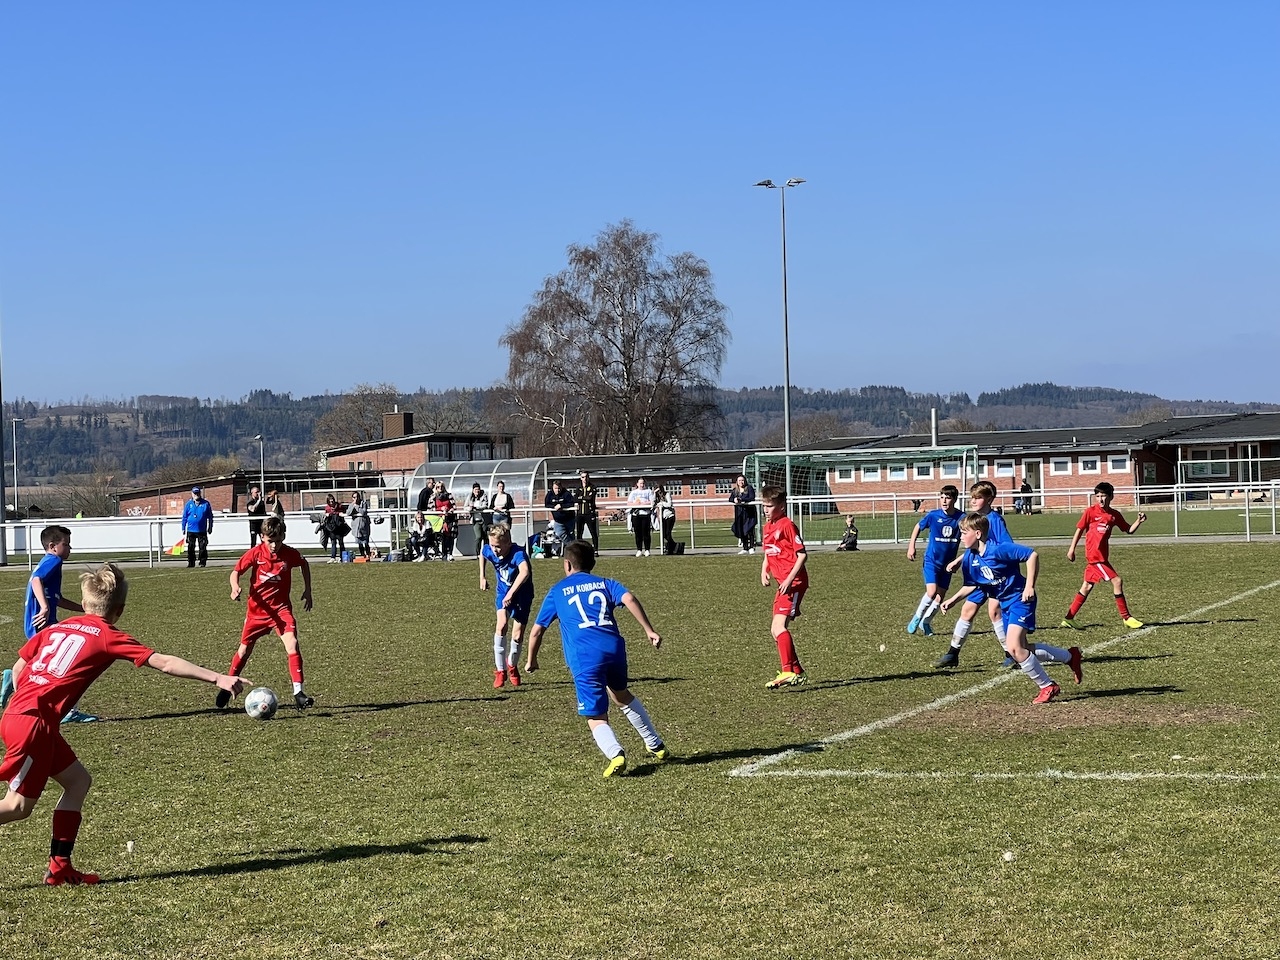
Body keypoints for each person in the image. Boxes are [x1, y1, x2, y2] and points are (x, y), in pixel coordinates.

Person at [0, 562, 247, 885]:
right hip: (34, 725)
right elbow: (164, 662)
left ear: (84, 603)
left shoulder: (56, 628)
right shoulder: (107, 635)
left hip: (23, 718)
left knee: (77, 782)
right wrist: (217, 678)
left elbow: (19, 669)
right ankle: (58, 866)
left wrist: (32, 701)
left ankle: (60, 866)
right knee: (17, 806)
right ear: (120, 610)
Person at [523, 540, 668, 778]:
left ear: (567, 564)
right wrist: (649, 630)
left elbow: (537, 630)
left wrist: (531, 660)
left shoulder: (557, 591)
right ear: (592, 563)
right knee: (621, 695)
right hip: (614, 649)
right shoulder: (605, 583)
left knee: (595, 715)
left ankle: (615, 753)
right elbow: (629, 599)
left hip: (584, 657)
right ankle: (655, 743)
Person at [939, 513, 1081, 704]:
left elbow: (1031, 555)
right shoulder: (970, 558)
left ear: (978, 534)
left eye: (965, 533)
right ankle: (1070, 656)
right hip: (1005, 604)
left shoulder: (999, 550)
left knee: (1014, 648)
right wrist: (953, 600)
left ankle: (1047, 686)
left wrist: (1029, 586)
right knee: (1022, 649)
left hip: (1021, 600)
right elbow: (972, 584)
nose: (961, 537)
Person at [2, 526, 95, 724]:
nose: (69, 548)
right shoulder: (54, 560)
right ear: (52, 546)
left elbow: (57, 598)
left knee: (41, 662)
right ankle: (60, 711)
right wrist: (44, 608)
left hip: (39, 623)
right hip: (42, 622)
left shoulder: (49, 562)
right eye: (66, 544)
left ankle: (13, 676)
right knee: (64, 663)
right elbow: (36, 581)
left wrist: (83, 609)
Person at [222, 515, 315, 710]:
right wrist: (234, 587)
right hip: (257, 612)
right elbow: (236, 572)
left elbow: (304, 563)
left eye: (278, 541)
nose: (274, 545)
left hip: (281, 611)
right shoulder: (255, 554)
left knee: (292, 644)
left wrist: (308, 590)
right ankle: (227, 685)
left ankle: (298, 693)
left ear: (283, 537)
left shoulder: (289, 554)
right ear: (262, 537)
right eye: (270, 541)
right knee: (244, 651)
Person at [933, 480, 1011, 670]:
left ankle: (1011, 654)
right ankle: (952, 654)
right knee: (967, 610)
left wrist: (998, 566)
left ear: (990, 499)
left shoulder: (995, 520)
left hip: (997, 576)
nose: (973, 501)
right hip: (981, 575)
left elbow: (1005, 546)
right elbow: (977, 547)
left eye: (978, 498)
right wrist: (960, 560)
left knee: (994, 611)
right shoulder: (975, 519)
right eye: (972, 497)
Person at [1061, 481, 1148, 630]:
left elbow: (1128, 530)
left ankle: (1068, 618)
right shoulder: (1090, 512)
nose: (1100, 499)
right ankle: (1126, 617)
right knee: (1117, 581)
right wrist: (1071, 549)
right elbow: (1079, 530)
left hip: (1102, 557)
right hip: (1095, 557)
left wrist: (1138, 521)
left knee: (1087, 586)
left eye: (1103, 496)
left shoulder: (1114, 515)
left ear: (1111, 497)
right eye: (1098, 496)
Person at [759, 485, 809, 689]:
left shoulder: (787, 525)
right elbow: (769, 551)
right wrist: (764, 569)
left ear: (781, 506)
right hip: (783, 584)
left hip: (793, 584)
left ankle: (787, 671)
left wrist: (789, 579)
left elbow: (802, 555)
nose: (765, 510)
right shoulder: (767, 527)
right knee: (775, 630)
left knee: (779, 627)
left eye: (769, 506)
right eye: (764, 505)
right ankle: (797, 672)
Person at [479, 522, 534, 688]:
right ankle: (500, 670)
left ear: (508, 543)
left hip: (522, 596)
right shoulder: (490, 549)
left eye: (498, 546)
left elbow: (525, 572)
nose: (494, 550)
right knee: (501, 625)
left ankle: (512, 666)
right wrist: (482, 576)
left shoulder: (518, 553)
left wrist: (512, 593)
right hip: (503, 592)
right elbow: (482, 553)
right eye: (492, 545)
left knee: (517, 635)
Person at [903, 485, 962, 635]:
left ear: (955, 499)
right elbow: (918, 527)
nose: (944, 501)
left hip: (948, 565)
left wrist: (959, 561)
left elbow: (971, 537)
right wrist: (911, 546)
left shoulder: (961, 518)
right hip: (932, 561)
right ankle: (917, 618)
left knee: (940, 597)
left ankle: (926, 622)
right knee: (931, 592)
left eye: (947, 498)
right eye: (941, 497)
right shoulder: (933, 515)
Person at [181, 486, 214, 568]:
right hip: (191, 530)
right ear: (192, 494)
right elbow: (184, 517)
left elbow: (210, 517)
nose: (196, 495)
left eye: (197, 493)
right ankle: (191, 562)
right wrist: (183, 527)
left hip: (202, 530)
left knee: (202, 547)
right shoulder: (188, 504)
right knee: (190, 547)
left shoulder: (206, 504)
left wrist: (210, 527)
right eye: (195, 493)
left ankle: (202, 562)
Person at [729, 475, 758, 554]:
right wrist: (734, 499)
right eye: (739, 480)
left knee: (749, 529)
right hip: (740, 513)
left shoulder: (749, 488)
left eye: (742, 480)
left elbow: (751, 497)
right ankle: (745, 548)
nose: (741, 482)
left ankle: (751, 547)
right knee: (741, 530)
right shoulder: (735, 490)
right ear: (737, 482)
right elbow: (730, 499)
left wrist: (741, 499)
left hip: (749, 513)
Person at [626, 477, 654, 557]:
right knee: (638, 533)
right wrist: (636, 504)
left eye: (643, 483)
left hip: (645, 514)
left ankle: (647, 549)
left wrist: (644, 503)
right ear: (637, 484)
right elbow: (629, 503)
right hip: (636, 514)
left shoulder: (648, 491)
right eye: (640, 483)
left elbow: (652, 501)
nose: (642, 485)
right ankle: (639, 549)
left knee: (646, 533)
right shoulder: (633, 492)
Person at [575, 470, 600, 553]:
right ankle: (579, 550)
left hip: (589, 513)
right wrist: (583, 498)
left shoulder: (593, 487)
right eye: (583, 477)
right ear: (580, 478)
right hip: (580, 514)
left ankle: (595, 550)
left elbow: (590, 498)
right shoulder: (578, 488)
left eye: (586, 477)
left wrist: (581, 498)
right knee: (579, 533)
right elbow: (575, 499)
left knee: (593, 532)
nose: (584, 479)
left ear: (588, 477)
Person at [433, 482, 458, 560]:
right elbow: (431, 508)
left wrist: (450, 509)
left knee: (450, 536)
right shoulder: (433, 497)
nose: (440, 488)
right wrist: (440, 509)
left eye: (441, 486)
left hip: (450, 518)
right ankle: (444, 554)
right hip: (439, 520)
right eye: (438, 487)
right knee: (443, 536)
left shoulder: (449, 495)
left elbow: (454, 506)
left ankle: (450, 553)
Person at [321, 493, 348, 563]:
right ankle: (333, 557)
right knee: (333, 542)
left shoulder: (339, 506)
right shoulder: (327, 508)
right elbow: (324, 514)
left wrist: (340, 513)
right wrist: (326, 514)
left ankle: (342, 557)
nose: (332, 503)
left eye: (332, 501)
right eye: (330, 502)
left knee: (341, 542)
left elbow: (344, 511)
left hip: (339, 526)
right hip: (332, 527)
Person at [347, 491, 371, 560]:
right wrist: (353, 506)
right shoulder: (351, 505)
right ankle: (363, 555)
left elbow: (363, 512)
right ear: (352, 498)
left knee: (366, 542)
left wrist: (357, 506)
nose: (356, 499)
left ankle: (368, 555)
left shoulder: (363, 503)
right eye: (354, 497)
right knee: (359, 542)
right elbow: (348, 513)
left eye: (357, 497)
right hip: (356, 527)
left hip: (364, 526)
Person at [467, 482, 488, 556]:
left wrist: (476, 508)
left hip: (483, 520)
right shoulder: (470, 497)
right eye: (475, 489)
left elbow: (485, 505)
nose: (477, 491)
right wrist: (470, 508)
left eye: (478, 489)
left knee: (486, 537)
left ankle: (486, 553)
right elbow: (465, 507)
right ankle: (478, 553)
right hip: (475, 520)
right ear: (473, 490)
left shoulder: (484, 496)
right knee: (478, 537)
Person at [655, 485, 678, 555]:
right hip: (663, 517)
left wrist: (662, 503)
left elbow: (669, 504)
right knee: (663, 534)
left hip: (670, 516)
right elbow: (654, 504)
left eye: (660, 491)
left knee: (667, 533)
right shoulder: (656, 497)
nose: (659, 493)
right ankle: (673, 546)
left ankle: (673, 547)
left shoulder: (667, 495)